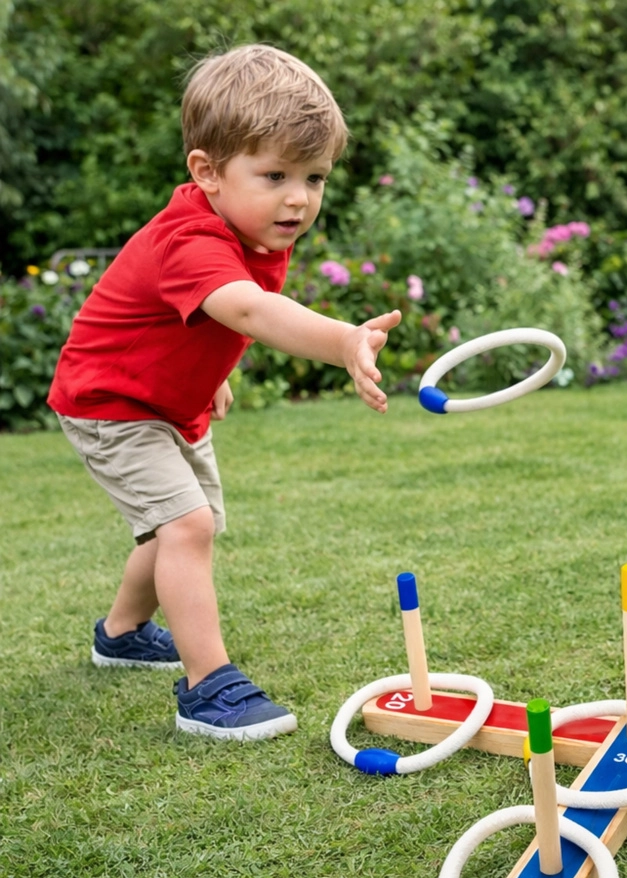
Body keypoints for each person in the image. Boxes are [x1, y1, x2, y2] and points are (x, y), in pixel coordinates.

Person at [47, 43, 400, 741]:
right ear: (207, 172)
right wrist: (342, 341)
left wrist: (213, 375)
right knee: (187, 525)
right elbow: (244, 308)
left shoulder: (255, 227)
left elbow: (202, 316)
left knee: (189, 517)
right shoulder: (190, 236)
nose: (298, 198)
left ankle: (121, 633)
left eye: (314, 177)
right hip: (109, 404)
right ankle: (207, 688)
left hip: (169, 401)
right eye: (275, 175)